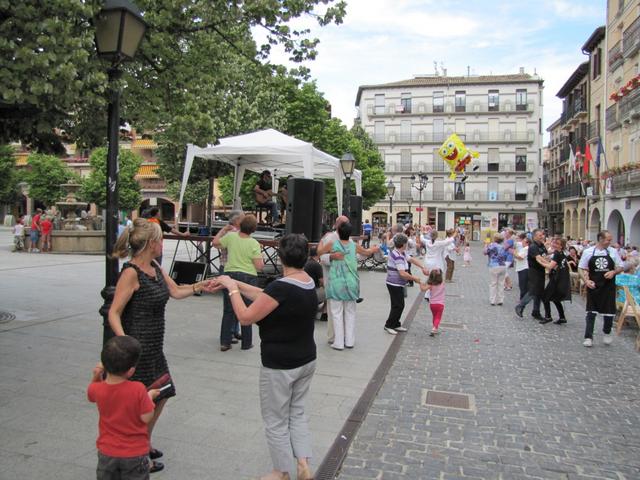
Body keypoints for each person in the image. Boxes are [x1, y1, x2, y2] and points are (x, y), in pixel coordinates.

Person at [207, 234, 317, 480]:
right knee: (297, 413)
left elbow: (246, 317)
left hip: (280, 364)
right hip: (306, 358)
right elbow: (268, 295)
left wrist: (233, 289)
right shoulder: (307, 281)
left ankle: (281, 472)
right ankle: (303, 464)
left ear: (280, 258)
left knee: (276, 420)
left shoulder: (282, 287)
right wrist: (230, 282)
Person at [109, 218, 209, 473]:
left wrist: (201, 285)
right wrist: (125, 345)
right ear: (152, 243)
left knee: (163, 393)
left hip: (154, 347)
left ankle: (143, 442)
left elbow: (175, 291)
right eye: (161, 239)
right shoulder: (131, 272)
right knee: (140, 405)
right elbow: (114, 313)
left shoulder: (154, 266)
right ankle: (137, 453)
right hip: (137, 349)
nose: (163, 243)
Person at [88, 336, 159, 480]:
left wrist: (96, 376)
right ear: (131, 371)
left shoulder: (98, 389)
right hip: (134, 454)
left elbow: (90, 394)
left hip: (107, 452)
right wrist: (149, 398)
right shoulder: (138, 389)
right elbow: (146, 417)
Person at [316, 222, 378, 350]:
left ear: (337, 231)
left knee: (336, 313)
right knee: (350, 312)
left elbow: (319, 252)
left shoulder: (332, 244)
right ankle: (349, 340)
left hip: (336, 282)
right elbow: (367, 252)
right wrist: (374, 249)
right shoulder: (354, 245)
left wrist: (322, 240)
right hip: (351, 282)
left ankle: (338, 342)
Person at [212, 214, 264, 351]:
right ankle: (246, 343)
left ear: (240, 225)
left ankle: (225, 342)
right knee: (248, 310)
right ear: (253, 229)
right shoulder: (254, 243)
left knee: (228, 310)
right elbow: (259, 266)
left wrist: (223, 229)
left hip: (230, 274)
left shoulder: (231, 237)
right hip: (248, 277)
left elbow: (215, 243)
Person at [579, 230, 624, 347]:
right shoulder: (588, 252)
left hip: (608, 286)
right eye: (608, 239)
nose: (610, 242)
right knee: (591, 312)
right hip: (594, 285)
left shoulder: (613, 252)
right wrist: (586, 281)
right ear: (600, 239)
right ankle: (588, 337)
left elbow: (621, 266)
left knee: (609, 311)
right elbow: (581, 268)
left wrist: (613, 272)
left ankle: (607, 332)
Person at [383, 233, 428, 335]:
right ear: (403, 244)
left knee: (400, 305)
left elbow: (411, 259)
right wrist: (415, 278)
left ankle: (396, 324)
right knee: (397, 305)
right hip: (394, 284)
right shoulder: (397, 256)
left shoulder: (401, 252)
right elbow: (402, 273)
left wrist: (422, 267)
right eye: (406, 243)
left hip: (398, 284)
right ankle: (389, 325)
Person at [318, 215, 350, 343]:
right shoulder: (329, 238)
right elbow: (322, 257)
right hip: (332, 279)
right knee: (333, 311)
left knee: (345, 310)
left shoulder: (349, 239)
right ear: (337, 225)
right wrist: (332, 257)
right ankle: (334, 336)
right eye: (344, 224)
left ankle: (344, 335)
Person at [214, 210, 245, 344]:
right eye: (243, 218)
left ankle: (234, 330)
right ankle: (229, 333)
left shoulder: (236, 232)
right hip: (229, 268)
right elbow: (215, 243)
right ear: (237, 221)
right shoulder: (231, 233)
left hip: (231, 269)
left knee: (235, 303)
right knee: (231, 305)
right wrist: (223, 229)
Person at [515, 229, 547, 320]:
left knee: (539, 292)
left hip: (541, 271)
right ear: (534, 236)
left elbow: (544, 256)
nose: (542, 237)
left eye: (543, 235)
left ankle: (536, 311)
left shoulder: (542, 246)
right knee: (533, 291)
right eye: (540, 235)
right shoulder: (533, 247)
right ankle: (520, 306)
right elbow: (539, 258)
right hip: (534, 272)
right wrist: (549, 265)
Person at [541, 237, 571, 325]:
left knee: (545, 297)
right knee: (556, 299)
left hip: (557, 279)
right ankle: (562, 317)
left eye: (556, 244)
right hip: (561, 278)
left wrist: (539, 261)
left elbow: (550, 266)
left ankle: (548, 317)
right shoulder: (561, 253)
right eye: (553, 243)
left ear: (561, 246)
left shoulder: (557, 253)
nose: (554, 244)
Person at [484, 234, 508, 306]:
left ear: (495, 239)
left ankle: (492, 300)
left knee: (493, 283)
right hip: (502, 266)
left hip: (494, 265)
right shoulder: (503, 247)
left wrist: (485, 245)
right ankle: (500, 300)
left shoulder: (492, 245)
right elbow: (505, 256)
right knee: (501, 283)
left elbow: (485, 252)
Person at [420, 269, 445, 336]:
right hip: (440, 304)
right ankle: (434, 328)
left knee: (434, 316)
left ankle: (435, 328)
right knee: (438, 317)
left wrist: (421, 283)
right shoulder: (442, 283)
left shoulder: (430, 285)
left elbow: (423, 289)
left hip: (432, 304)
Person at [303, 246, 325, 318]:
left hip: (303, 291)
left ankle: (318, 308)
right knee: (331, 290)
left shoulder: (306, 262)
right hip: (313, 293)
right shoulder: (316, 265)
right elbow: (322, 282)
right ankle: (325, 312)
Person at [513, 234, 530, 301]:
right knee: (524, 284)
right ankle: (525, 297)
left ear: (527, 243)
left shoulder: (526, 249)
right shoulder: (525, 248)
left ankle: (523, 298)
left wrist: (514, 253)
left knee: (523, 284)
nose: (522, 243)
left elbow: (520, 257)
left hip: (523, 268)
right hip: (522, 267)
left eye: (523, 242)